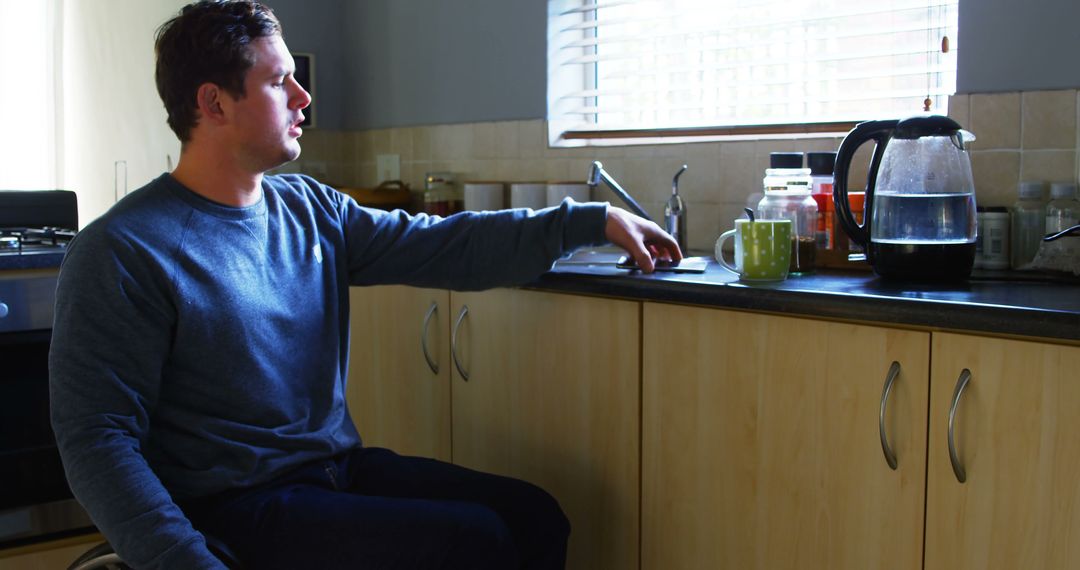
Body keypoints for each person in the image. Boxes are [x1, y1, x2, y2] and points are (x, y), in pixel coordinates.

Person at [48, 1, 681, 569]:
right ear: (213, 104)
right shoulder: (123, 250)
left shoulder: (311, 210)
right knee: (472, 541)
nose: (303, 97)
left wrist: (590, 219)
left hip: (333, 471)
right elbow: (96, 441)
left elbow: (446, 244)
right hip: (229, 505)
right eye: (278, 81)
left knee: (534, 516)